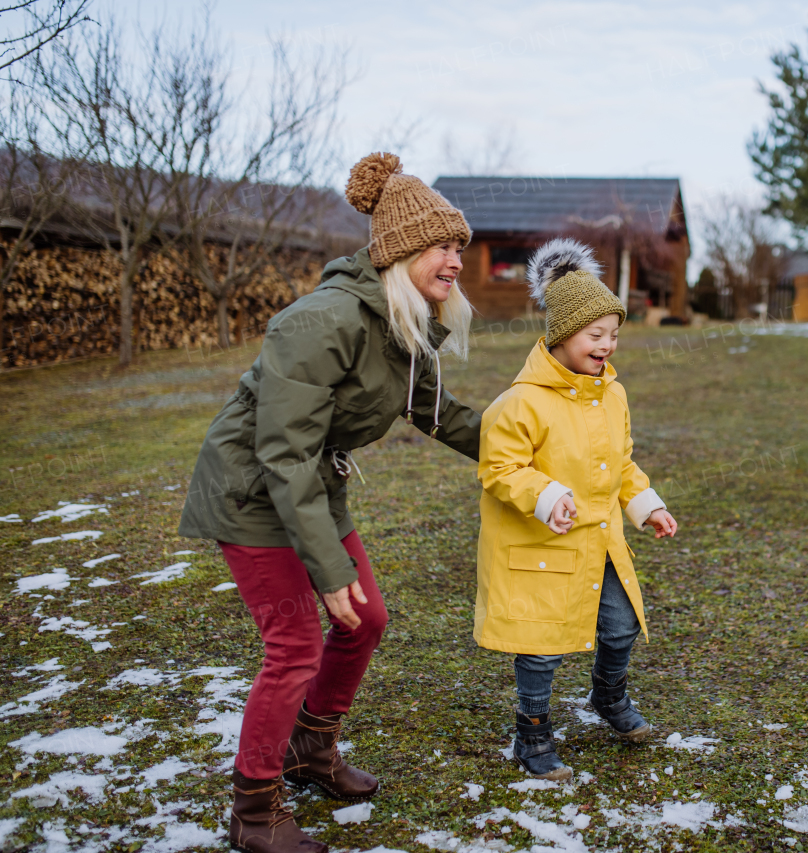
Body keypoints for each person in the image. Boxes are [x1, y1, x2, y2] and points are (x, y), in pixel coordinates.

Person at [178, 153, 482, 853]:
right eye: (443, 245)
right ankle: (254, 811)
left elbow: (441, 415)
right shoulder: (319, 323)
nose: (455, 261)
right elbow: (282, 453)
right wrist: (327, 566)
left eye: (459, 246)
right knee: (293, 646)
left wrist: (524, 444)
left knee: (365, 618)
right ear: (401, 250)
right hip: (251, 490)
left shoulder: (405, 327)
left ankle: (311, 748)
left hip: (311, 486)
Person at [473, 239, 678, 780]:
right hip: (542, 548)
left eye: (613, 334)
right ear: (562, 334)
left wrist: (647, 505)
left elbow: (623, 464)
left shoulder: (614, 395)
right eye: (595, 334)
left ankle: (608, 699)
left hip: (600, 542)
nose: (607, 344)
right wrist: (545, 495)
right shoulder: (520, 403)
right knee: (541, 645)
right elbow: (499, 469)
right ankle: (532, 733)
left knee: (620, 626)